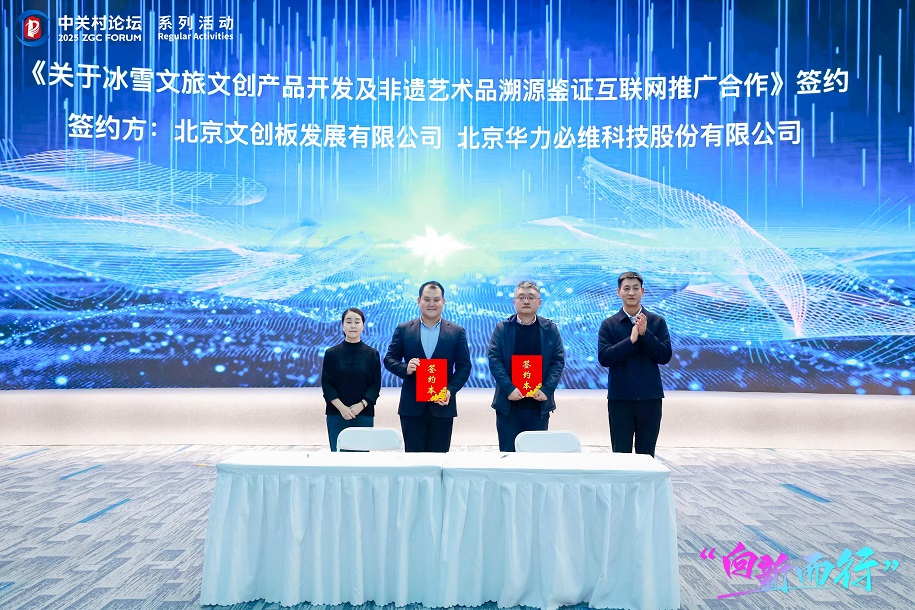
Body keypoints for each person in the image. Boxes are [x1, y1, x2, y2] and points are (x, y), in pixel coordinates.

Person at [384, 281, 472, 452]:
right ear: (419, 301)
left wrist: (450, 390)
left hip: (442, 405)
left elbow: (464, 366)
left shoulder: (456, 331)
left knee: (439, 459)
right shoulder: (404, 329)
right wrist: (405, 368)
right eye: (427, 299)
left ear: (443, 302)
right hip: (412, 407)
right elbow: (389, 359)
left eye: (436, 300)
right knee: (414, 459)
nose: (432, 304)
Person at [597, 271, 672, 457]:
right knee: (620, 454)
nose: (631, 293)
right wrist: (630, 341)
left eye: (635, 288)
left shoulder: (657, 322)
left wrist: (645, 334)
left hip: (650, 398)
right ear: (619, 292)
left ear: (642, 291)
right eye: (626, 289)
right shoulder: (609, 324)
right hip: (620, 399)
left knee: (646, 454)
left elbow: (664, 356)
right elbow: (604, 358)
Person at [487, 281, 565, 452]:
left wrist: (546, 389)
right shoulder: (503, 329)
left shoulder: (550, 329)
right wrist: (509, 388)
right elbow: (494, 359)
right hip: (509, 404)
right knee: (508, 454)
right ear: (514, 302)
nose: (526, 301)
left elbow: (558, 362)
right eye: (521, 297)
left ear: (539, 302)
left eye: (531, 297)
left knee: (535, 456)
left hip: (538, 404)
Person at [320, 307, 382, 451]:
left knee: (361, 458)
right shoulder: (331, 353)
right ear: (342, 326)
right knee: (339, 457)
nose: (353, 325)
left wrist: (361, 405)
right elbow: (327, 384)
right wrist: (342, 408)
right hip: (337, 414)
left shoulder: (372, 354)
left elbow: (375, 385)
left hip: (363, 413)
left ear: (363, 325)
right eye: (348, 322)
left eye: (357, 322)